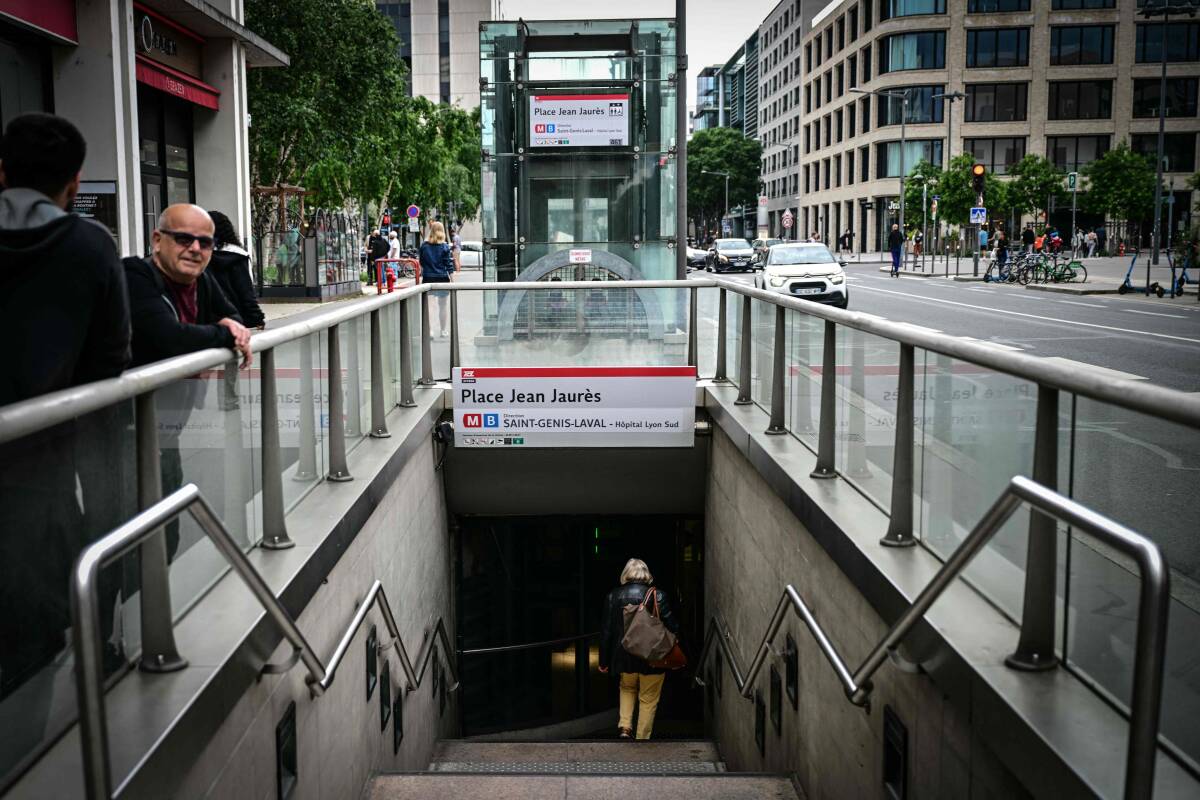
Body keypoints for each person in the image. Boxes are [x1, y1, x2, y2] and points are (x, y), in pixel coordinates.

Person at [0, 112, 132, 702]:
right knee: (32, 638)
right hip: (41, 474)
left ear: (3, 171)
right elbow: (111, 360)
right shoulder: (89, 246)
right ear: (75, 183)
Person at [599, 558, 680, 740]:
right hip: (652, 657)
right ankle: (642, 738)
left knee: (627, 688)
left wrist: (604, 661)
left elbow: (606, 632)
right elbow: (673, 626)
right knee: (648, 698)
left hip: (623, 655)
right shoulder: (658, 596)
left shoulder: (613, 596)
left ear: (626, 574)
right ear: (646, 574)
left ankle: (625, 728)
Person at [207, 210, 264, 330]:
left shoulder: (200, 255)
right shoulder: (238, 256)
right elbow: (245, 291)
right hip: (235, 318)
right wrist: (256, 317)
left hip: (206, 319)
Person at [419, 220, 457, 337]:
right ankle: (443, 330)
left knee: (430, 306)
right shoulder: (445, 247)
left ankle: (430, 330)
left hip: (428, 278)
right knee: (443, 306)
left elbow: (421, 262)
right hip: (442, 278)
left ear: (431, 231)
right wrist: (453, 281)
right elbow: (449, 265)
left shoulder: (424, 246)